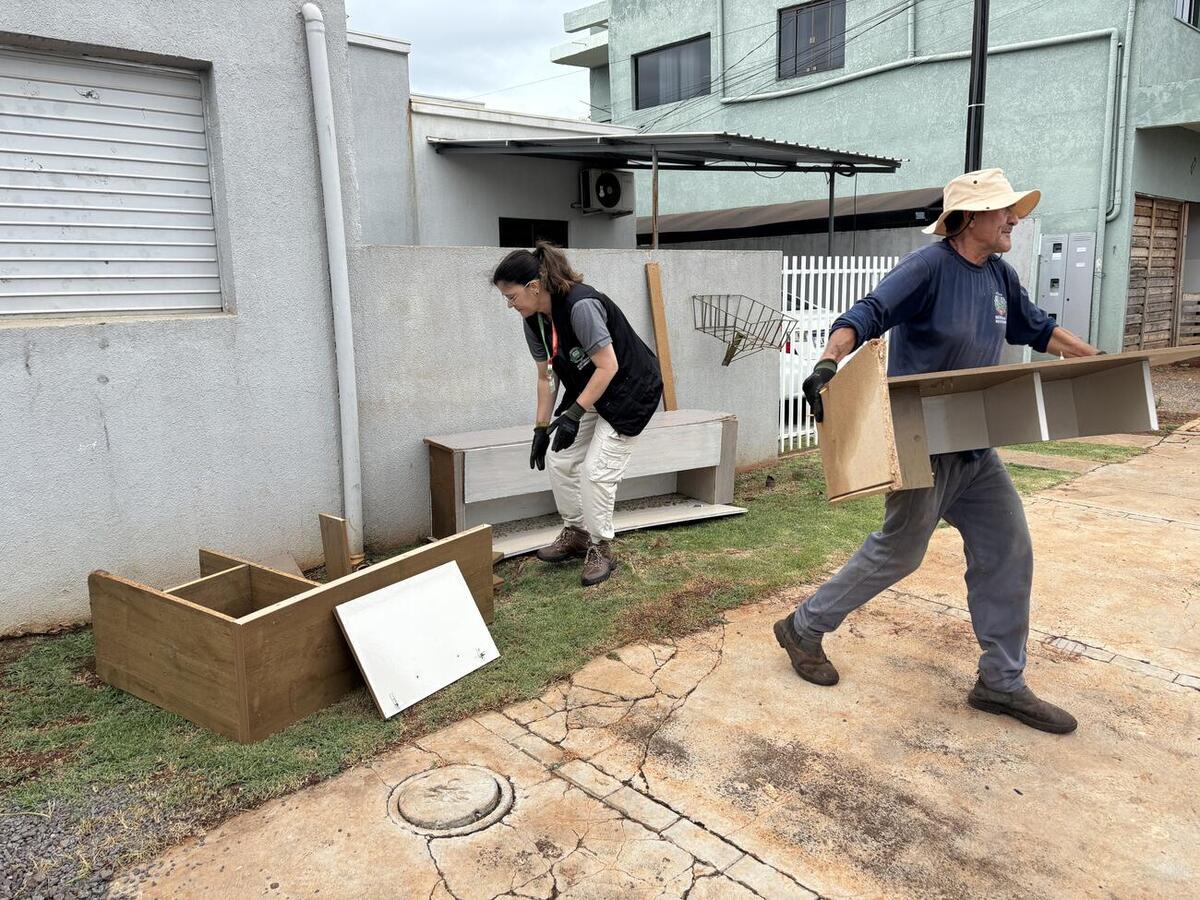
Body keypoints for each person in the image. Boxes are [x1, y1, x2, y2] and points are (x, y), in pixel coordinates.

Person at [774, 168, 1099, 735]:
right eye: (1004, 211)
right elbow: (865, 314)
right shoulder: (928, 268)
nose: (1014, 220)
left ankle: (1001, 682)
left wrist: (1092, 360)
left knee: (1008, 547)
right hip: (919, 438)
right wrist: (829, 362)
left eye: (1013, 211)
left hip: (974, 443)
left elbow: (1036, 329)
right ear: (970, 217)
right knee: (900, 552)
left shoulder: (1000, 276)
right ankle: (804, 626)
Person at [494, 243, 663, 587]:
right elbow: (547, 376)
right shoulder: (535, 321)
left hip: (631, 389)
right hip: (592, 388)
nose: (509, 305)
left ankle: (601, 548)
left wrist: (572, 415)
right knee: (559, 459)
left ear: (534, 286)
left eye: (511, 296)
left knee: (596, 472)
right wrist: (541, 428)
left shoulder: (581, 306)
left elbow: (609, 365)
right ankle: (577, 534)